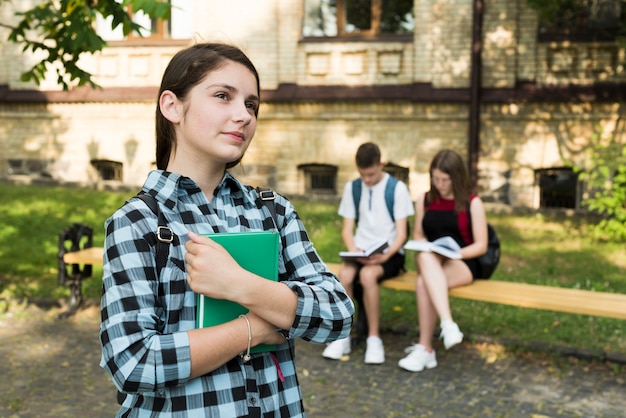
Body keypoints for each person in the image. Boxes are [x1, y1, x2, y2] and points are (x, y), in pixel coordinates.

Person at [99, 42, 354, 417]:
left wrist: (241, 285)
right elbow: (133, 364)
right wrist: (255, 326)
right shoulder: (138, 223)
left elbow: (338, 315)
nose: (244, 115)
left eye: (251, 105)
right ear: (172, 106)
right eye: (223, 96)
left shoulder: (273, 211)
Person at [322, 142, 414, 364]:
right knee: (345, 275)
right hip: (361, 251)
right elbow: (347, 229)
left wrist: (385, 255)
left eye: (371, 174)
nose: (367, 180)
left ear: (381, 164)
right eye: (363, 175)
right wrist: (354, 250)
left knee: (367, 275)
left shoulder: (397, 189)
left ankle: (374, 338)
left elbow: (402, 234)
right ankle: (342, 335)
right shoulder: (353, 188)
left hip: (390, 254)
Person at [398, 149, 488, 372]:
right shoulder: (425, 199)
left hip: (462, 260)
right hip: (431, 258)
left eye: (445, 180)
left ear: (456, 178)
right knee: (427, 258)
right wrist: (431, 248)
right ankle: (447, 324)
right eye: (436, 179)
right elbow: (418, 234)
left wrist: (454, 254)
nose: (440, 184)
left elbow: (481, 245)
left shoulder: (472, 203)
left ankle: (426, 348)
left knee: (422, 283)